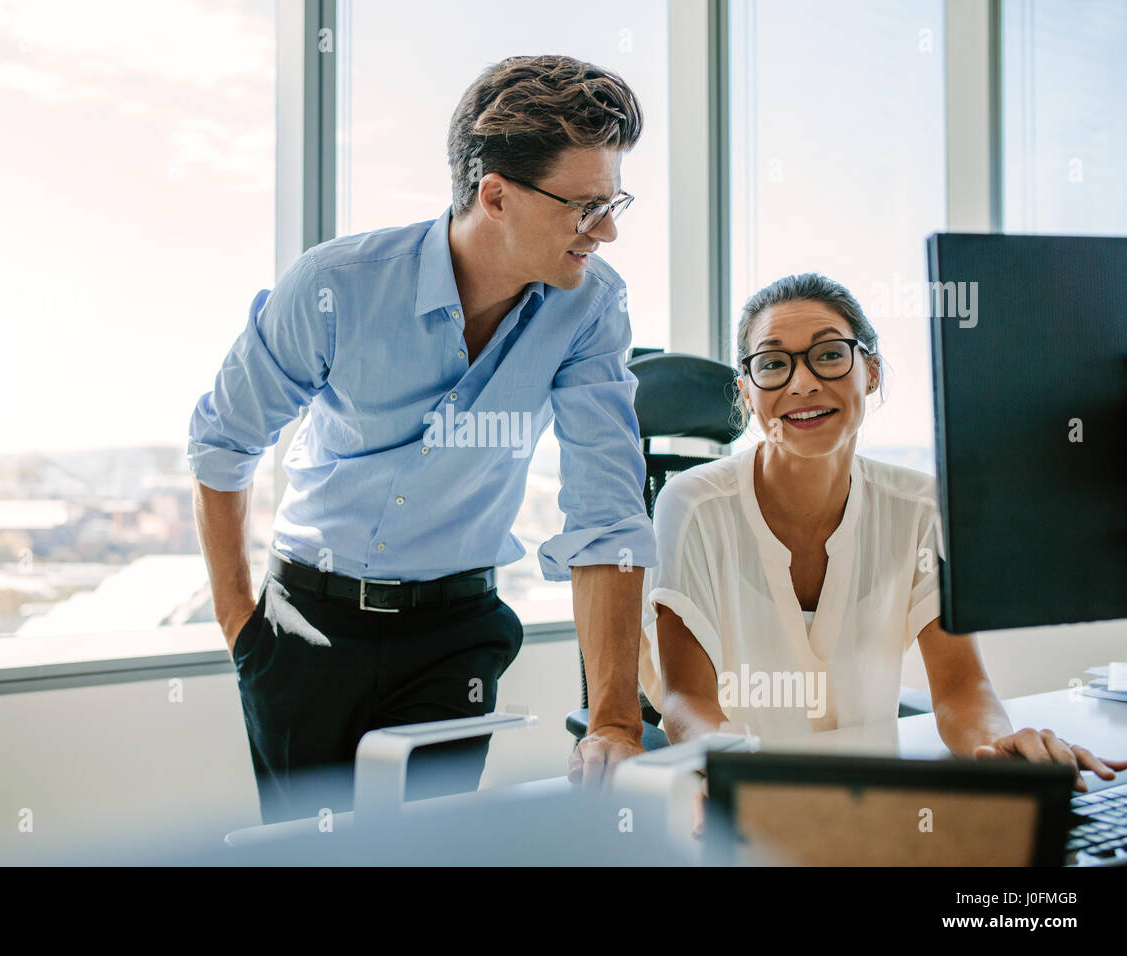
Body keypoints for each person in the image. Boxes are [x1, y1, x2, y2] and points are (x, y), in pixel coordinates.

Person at [188, 55, 657, 823]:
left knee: (426, 848)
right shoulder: (337, 285)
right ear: (497, 195)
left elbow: (606, 513)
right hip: (306, 627)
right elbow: (222, 442)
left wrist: (613, 718)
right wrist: (241, 626)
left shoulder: (591, 308)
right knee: (310, 856)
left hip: (455, 632)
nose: (605, 231)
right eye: (584, 207)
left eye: (613, 203)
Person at [642, 272, 1126, 789]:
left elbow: (960, 687)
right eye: (773, 364)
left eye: (829, 354)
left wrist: (995, 746)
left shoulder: (920, 507)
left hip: (866, 806)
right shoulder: (691, 505)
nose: (802, 383)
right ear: (747, 392)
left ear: (870, 372)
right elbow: (686, 699)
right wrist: (741, 775)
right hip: (732, 803)